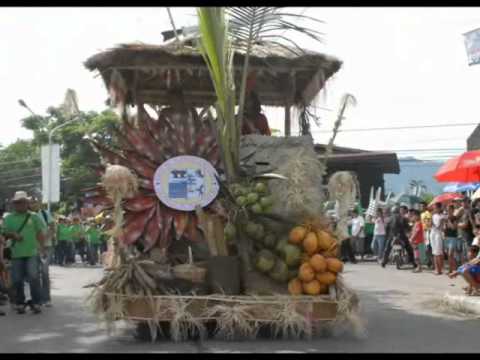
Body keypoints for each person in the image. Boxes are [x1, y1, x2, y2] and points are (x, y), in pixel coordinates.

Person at [2, 191, 46, 314]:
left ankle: (36, 302)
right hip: (16, 253)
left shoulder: (34, 217)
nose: (19, 205)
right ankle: (20, 303)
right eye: (17, 203)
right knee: (16, 279)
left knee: (34, 277)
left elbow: (40, 234)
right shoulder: (9, 218)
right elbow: (3, 233)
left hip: (32, 252)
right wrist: (12, 234)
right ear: (14, 204)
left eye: (22, 202)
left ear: (27, 203)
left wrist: (42, 248)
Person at [29, 198, 54, 307]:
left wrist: (45, 239)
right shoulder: (27, 215)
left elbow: (52, 227)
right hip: (32, 248)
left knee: (44, 272)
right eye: (31, 202)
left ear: (39, 203)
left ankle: (46, 298)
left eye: (35, 202)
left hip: (46, 247)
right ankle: (37, 299)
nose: (33, 204)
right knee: (34, 274)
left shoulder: (45, 213)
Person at [444, 204, 460, 275]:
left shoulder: (455, 218)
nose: (448, 211)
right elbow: (445, 228)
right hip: (447, 237)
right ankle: (450, 269)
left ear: (452, 210)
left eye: (449, 209)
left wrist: (449, 221)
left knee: (451, 254)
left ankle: (455, 269)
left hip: (453, 237)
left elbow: (454, 228)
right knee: (448, 254)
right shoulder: (446, 218)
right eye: (447, 209)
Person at [430, 202, 445, 275]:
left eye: (435, 207)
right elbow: (430, 224)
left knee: (438, 252)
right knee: (434, 252)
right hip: (432, 233)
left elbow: (440, 226)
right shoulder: (433, 215)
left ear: (439, 208)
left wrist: (435, 226)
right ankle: (436, 269)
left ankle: (439, 270)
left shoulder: (442, 216)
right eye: (434, 207)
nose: (434, 209)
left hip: (438, 234)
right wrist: (431, 218)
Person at [458, 197, 474, 262]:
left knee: (469, 254)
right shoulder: (464, 211)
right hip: (465, 236)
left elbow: (465, 225)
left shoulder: (469, 211)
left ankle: (470, 270)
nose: (462, 203)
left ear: (468, 202)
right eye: (462, 202)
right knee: (466, 254)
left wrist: (458, 224)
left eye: (464, 202)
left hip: (469, 236)